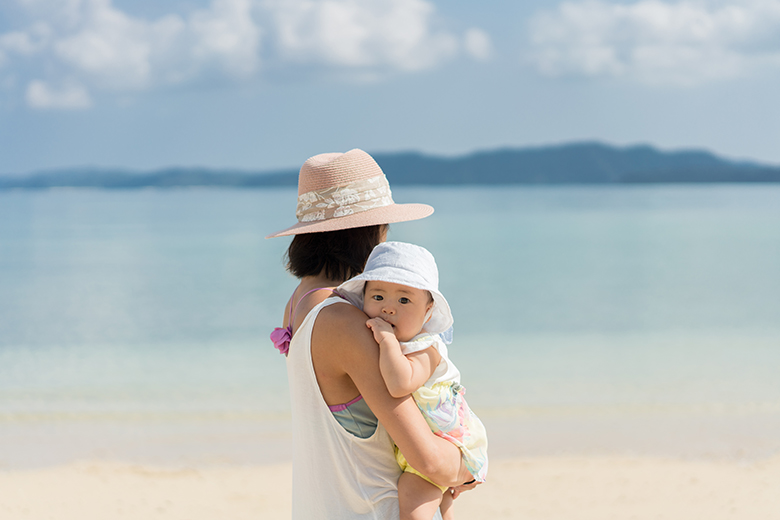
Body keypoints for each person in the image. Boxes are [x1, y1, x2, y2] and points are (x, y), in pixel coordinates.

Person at [266, 149, 476, 520]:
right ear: (370, 232)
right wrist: (468, 463)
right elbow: (427, 458)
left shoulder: (299, 302)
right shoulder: (344, 321)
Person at [337, 241, 488, 520]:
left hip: (449, 441)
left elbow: (399, 384)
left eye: (404, 300)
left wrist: (385, 339)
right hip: (419, 445)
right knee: (430, 497)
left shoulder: (426, 349)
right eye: (378, 297)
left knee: (412, 501)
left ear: (428, 311)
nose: (388, 309)